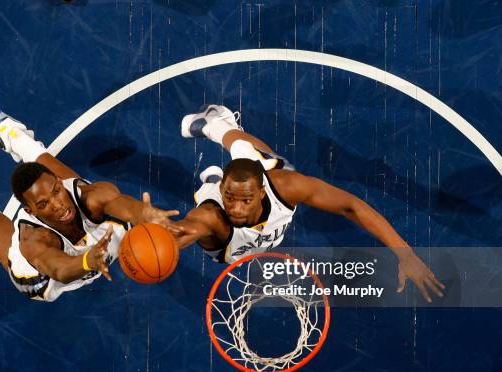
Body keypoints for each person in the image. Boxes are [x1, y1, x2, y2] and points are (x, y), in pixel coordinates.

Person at [173, 105, 445, 302]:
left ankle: (216, 124)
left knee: (253, 154)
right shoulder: (211, 219)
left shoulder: (285, 186)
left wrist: (405, 254)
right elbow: (178, 235)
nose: (237, 209)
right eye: (231, 199)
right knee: (238, 166)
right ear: (223, 192)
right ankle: (214, 161)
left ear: (262, 192)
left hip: (264, 182)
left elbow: (350, 206)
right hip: (229, 242)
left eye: (246, 200)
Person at [0, 105, 178, 301]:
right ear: (31, 211)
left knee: (70, 182)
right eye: (44, 204)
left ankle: (7, 132)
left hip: (96, 240)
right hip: (49, 275)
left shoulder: (87, 195)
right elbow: (57, 268)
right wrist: (86, 261)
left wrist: (143, 214)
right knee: (9, 253)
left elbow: (118, 202)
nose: (58, 204)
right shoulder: (33, 240)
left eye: (57, 192)